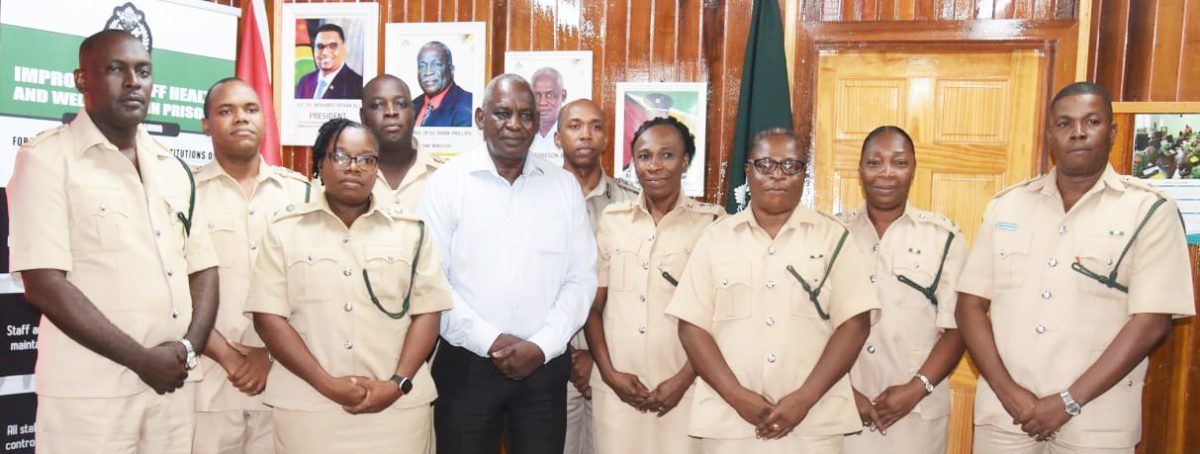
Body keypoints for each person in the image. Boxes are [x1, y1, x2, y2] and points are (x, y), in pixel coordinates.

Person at [8, 29, 219, 453]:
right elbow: (44, 284)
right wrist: (141, 360)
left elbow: (204, 269)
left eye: (143, 71)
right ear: (81, 80)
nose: (132, 82)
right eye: (115, 69)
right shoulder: (46, 160)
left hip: (173, 389)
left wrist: (187, 349)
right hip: (90, 395)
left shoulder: (172, 166)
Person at [956, 82, 1195, 454]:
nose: (1078, 132)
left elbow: (1152, 322)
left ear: (1112, 132)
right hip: (1006, 419)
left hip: (1097, 424)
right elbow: (969, 306)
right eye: (1065, 123)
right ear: (1050, 133)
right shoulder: (1007, 206)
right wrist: (1008, 393)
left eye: (1092, 121)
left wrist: (1069, 400)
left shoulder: (1149, 211)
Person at [244, 118, 453, 453]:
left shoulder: (411, 230)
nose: (354, 168)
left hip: (396, 410)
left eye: (366, 159)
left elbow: (428, 313)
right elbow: (267, 319)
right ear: (320, 164)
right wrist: (326, 384)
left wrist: (397, 383)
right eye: (341, 157)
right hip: (309, 408)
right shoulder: (285, 230)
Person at [666, 129, 880, 453]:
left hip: (814, 422)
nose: (777, 175)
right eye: (765, 164)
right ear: (747, 170)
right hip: (729, 422)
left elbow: (855, 323)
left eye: (790, 166)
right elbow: (692, 327)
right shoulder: (715, 239)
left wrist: (804, 398)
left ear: (803, 174)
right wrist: (738, 397)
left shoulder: (833, 238)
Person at [419, 74, 597, 454]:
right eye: (502, 113)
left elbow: (581, 279)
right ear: (481, 118)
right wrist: (492, 341)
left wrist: (543, 344)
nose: (515, 125)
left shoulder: (563, 188)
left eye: (526, 115)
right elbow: (433, 280)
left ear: (538, 123)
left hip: (544, 367)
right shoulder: (447, 183)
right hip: (466, 364)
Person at [584, 116, 722, 454]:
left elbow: (720, 318)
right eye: (644, 156)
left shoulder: (712, 224)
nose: (655, 166)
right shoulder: (612, 222)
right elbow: (592, 308)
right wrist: (609, 373)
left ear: (685, 161)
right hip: (617, 392)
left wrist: (683, 379)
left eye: (667, 155)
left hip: (685, 391)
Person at [192, 77, 313, 454]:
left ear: (265, 119)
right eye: (226, 111)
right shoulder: (183, 194)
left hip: (285, 383)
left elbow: (316, 289)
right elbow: (170, 289)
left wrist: (271, 354)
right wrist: (227, 355)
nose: (240, 118)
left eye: (250, 109)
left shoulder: (303, 194)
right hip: (208, 387)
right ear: (206, 124)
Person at [839, 126, 967, 454]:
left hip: (916, 413)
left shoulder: (944, 238)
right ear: (860, 170)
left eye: (899, 163)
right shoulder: (833, 235)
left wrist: (917, 387)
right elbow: (812, 324)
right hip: (842, 407)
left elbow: (959, 327)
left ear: (913, 169)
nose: (886, 173)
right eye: (874, 162)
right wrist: (840, 392)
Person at [556, 98, 639, 454]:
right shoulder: (536, 199)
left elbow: (634, 291)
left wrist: (596, 358)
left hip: (614, 365)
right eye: (574, 126)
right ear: (557, 138)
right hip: (548, 364)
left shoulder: (632, 205)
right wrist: (569, 357)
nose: (585, 135)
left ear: (607, 138)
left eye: (595, 126)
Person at [360, 74, 443, 215]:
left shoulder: (445, 174)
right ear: (363, 116)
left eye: (400, 104)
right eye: (378, 105)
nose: (391, 112)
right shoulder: (346, 176)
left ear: (414, 112)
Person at [295, 23, 363, 100]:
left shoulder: (357, 85)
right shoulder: (305, 81)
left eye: (332, 46)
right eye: (320, 46)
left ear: (345, 48)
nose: (325, 52)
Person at [413, 41, 473, 127]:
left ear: (451, 70)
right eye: (422, 66)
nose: (428, 72)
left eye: (436, 65)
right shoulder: (412, 106)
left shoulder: (468, 105)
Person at [530, 67, 567, 163]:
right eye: (536, 95)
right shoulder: (520, 133)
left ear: (563, 96)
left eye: (550, 95)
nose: (542, 102)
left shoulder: (571, 134)